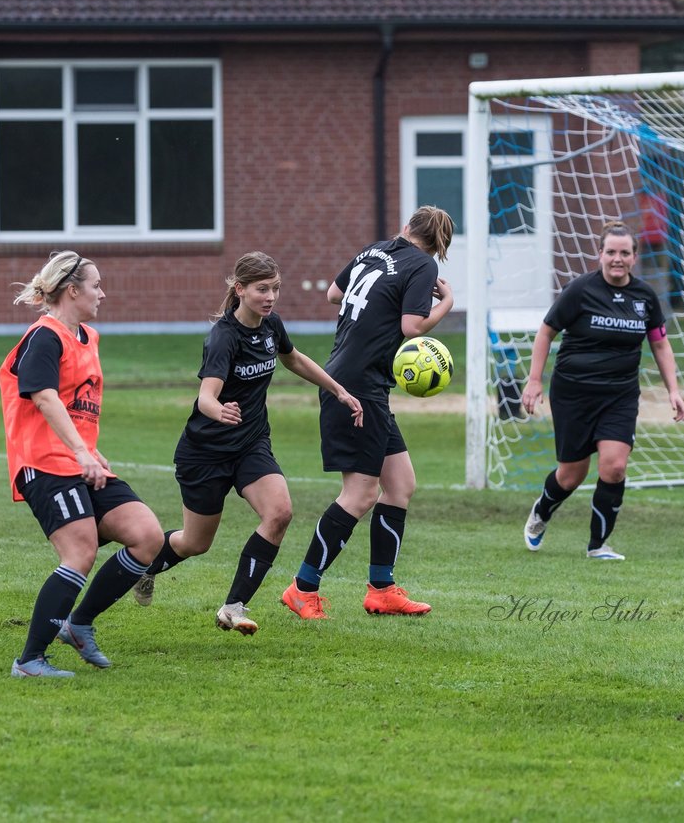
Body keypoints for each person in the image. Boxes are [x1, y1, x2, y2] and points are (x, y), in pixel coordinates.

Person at [130, 252, 363, 635]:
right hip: (205, 453)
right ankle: (146, 565)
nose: (270, 296)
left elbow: (294, 359)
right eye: (261, 289)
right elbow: (206, 395)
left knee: (279, 513)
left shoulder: (271, 326)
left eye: (275, 288)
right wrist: (218, 410)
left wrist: (337, 389)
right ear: (239, 290)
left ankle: (233, 607)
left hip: (251, 445)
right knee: (194, 542)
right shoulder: (224, 337)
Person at [280, 206, 455, 620]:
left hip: (358, 379)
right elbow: (413, 327)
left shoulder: (374, 250)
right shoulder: (424, 265)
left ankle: (382, 589)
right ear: (439, 244)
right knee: (360, 494)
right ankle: (303, 588)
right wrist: (446, 302)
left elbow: (333, 295)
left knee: (400, 485)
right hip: (357, 388)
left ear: (407, 228)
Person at [0, 250, 164, 678]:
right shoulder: (44, 336)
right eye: (96, 285)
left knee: (146, 535)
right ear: (72, 291)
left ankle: (79, 623)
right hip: (46, 464)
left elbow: (76, 406)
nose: (102, 293)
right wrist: (80, 452)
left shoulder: (88, 337)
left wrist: (90, 451)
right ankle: (29, 660)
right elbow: (44, 396)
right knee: (80, 552)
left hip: (81, 462)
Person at [519, 220, 684, 560]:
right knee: (571, 475)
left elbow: (660, 344)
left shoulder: (644, 297)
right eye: (611, 252)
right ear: (600, 254)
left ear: (634, 257)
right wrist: (534, 380)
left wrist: (674, 390)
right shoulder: (580, 290)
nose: (617, 259)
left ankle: (598, 545)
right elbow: (545, 332)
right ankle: (541, 513)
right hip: (573, 393)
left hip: (619, 396)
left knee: (614, 467)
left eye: (624, 253)